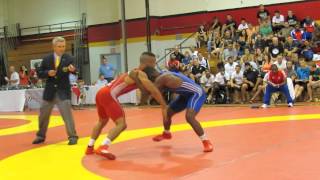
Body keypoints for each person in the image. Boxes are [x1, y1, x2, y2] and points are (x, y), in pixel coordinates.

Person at [85, 52, 168, 160]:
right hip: (109, 95)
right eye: (153, 63)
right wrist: (163, 105)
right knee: (121, 124)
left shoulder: (133, 72)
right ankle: (103, 146)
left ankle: (90, 147)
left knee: (102, 121)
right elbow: (152, 89)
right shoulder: (140, 73)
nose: (154, 66)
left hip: (101, 93)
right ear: (148, 63)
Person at [144, 67, 213, 152]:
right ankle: (166, 134)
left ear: (151, 77)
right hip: (185, 95)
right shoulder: (161, 75)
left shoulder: (163, 78)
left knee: (189, 117)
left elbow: (149, 93)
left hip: (196, 93)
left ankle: (206, 141)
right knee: (168, 113)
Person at [32, 37, 78, 145]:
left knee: (67, 116)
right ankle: (40, 136)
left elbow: (76, 70)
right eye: (59, 46)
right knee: (43, 115)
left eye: (63, 46)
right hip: (49, 92)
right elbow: (40, 73)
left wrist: (73, 70)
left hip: (63, 91)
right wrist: (48, 73)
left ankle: (73, 136)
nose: (62, 49)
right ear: (54, 47)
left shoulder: (69, 58)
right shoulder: (46, 59)